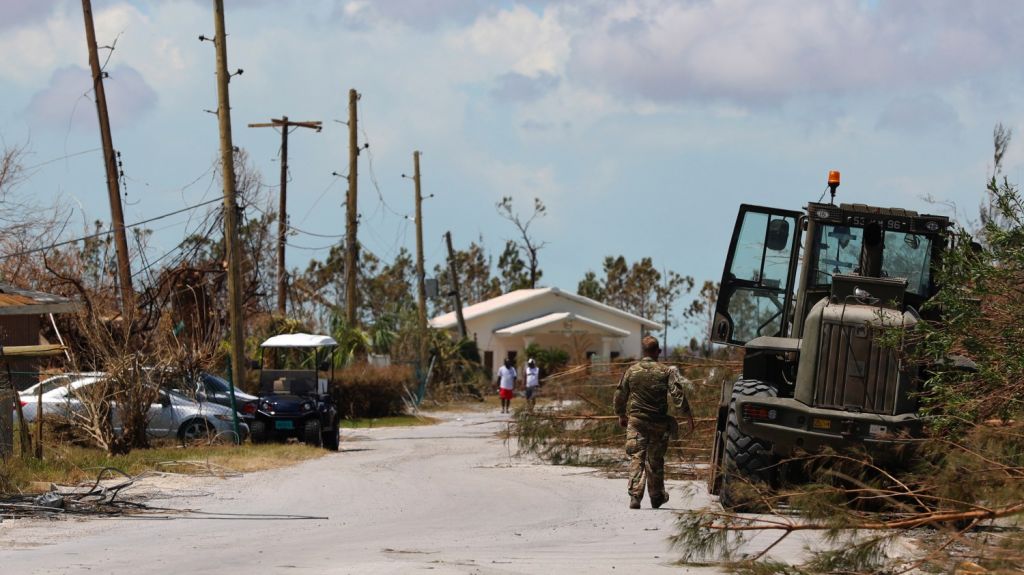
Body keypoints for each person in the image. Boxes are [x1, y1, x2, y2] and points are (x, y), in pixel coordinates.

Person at [613, 335, 694, 509]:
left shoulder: (631, 371)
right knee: (655, 459)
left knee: (637, 457)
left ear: (643, 352)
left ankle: (635, 496)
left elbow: (620, 394)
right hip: (658, 422)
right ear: (658, 351)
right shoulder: (666, 371)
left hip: (637, 422)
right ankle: (656, 496)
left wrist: (621, 414)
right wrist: (688, 417)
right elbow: (678, 395)